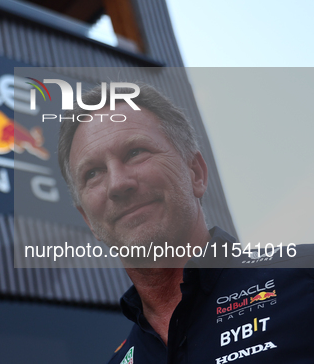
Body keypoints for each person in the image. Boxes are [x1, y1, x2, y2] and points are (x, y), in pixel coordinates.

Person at [57, 83, 314, 364]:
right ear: (87, 220)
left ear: (196, 173)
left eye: (135, 152)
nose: (117, 183)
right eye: (93, 173)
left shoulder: (303, 280)